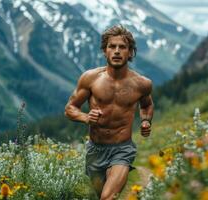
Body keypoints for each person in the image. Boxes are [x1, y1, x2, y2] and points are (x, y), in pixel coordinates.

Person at [64, 25, 154, 200]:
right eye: (112, 46)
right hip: (95, 150)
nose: (117, 51)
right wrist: (85, 117)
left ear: (130, 53)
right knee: (100, 196)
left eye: (123, 47)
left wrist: (146, 121)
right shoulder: (90, 79)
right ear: (105, 51)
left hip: (122, 149)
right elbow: (70, 108)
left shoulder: (142, 84)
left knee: (107, 197)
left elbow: (147, 105)